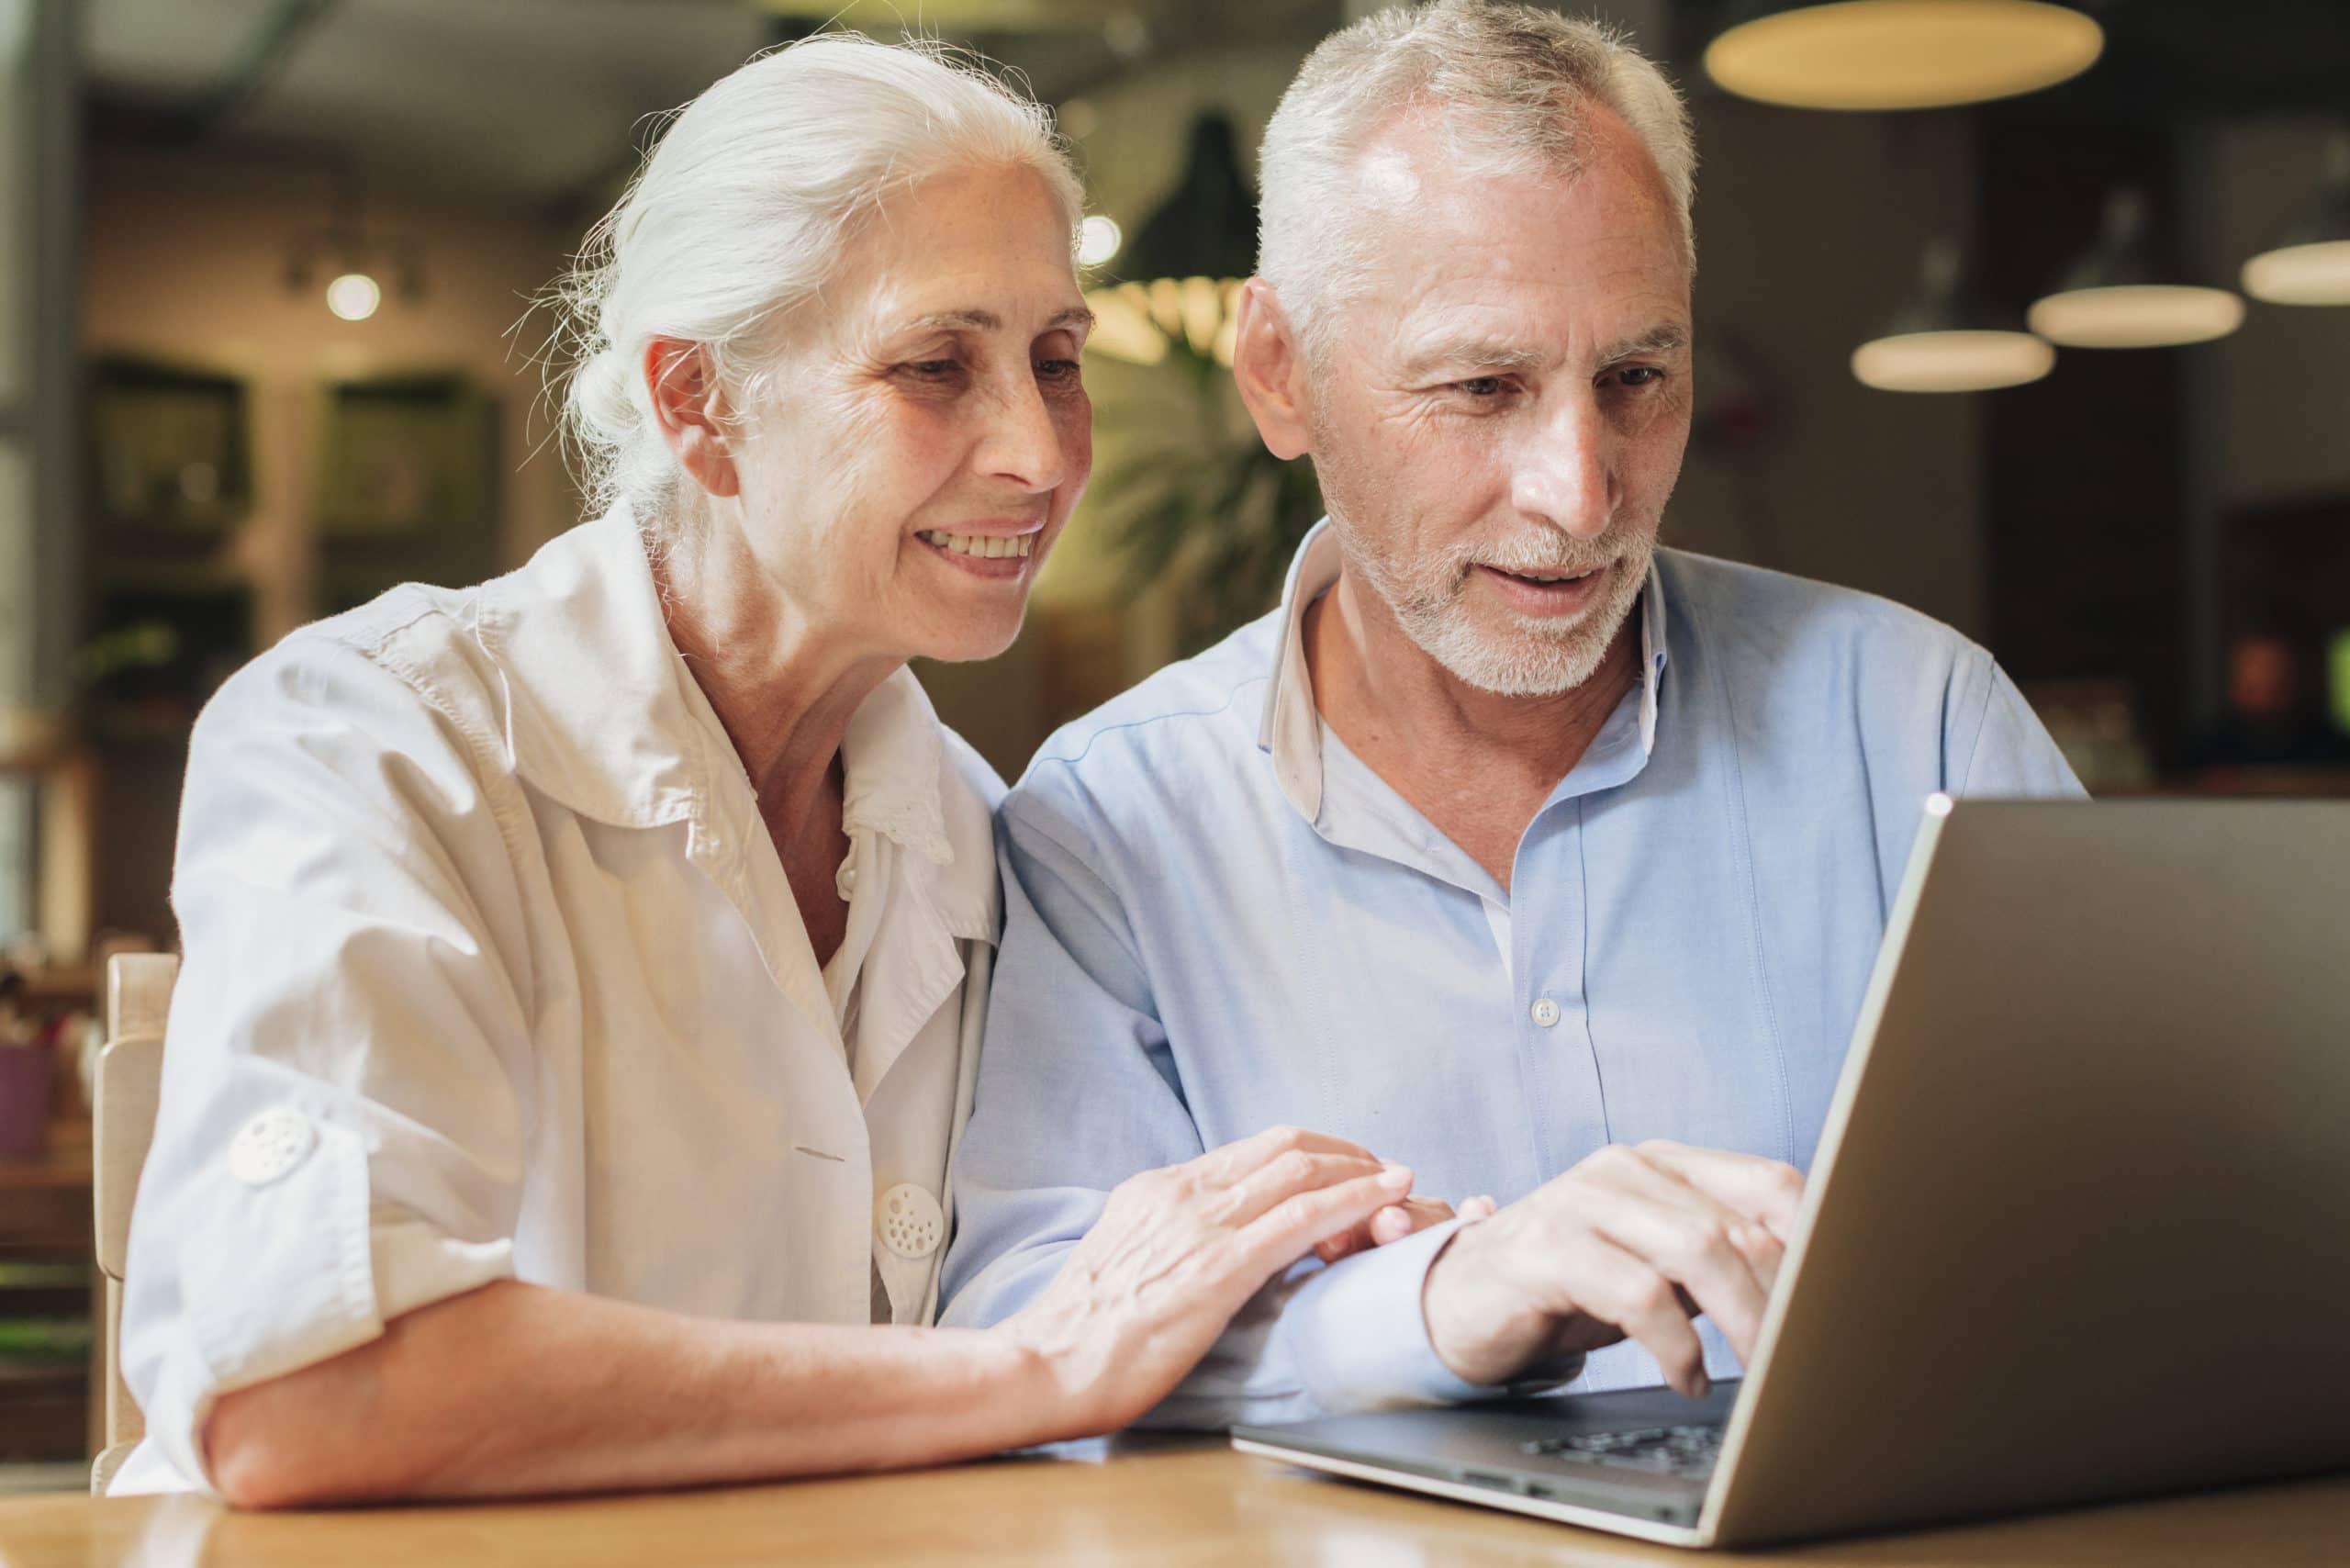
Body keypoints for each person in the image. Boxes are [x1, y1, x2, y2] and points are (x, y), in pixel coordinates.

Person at [114, 36, 1444, 1507]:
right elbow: (308, 1395)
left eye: (1055, 361)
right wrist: (1037, 1368)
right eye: (936, 366)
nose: (1039, 453)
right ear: (698, 405)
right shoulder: (373, 739)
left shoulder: (986, 835)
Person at [941, 0, 2084, 1420]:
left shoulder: (1918, 728)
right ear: (1278, 374)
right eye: (1483, 387)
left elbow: (2161, 1205)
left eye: (1636, 379)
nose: (1583, 493)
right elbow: (1023, 1317)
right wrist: (1434, 1304)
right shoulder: (1113, 820)